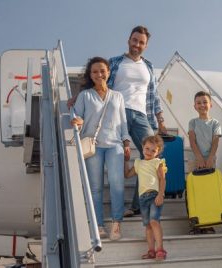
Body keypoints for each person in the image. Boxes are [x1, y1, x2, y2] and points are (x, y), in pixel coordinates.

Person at [108, 25, 167, 217]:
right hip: (118, 112)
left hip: (142, 115)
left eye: (141, 42)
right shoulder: (115, 62)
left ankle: (138, 205)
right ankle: (118, 207)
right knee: (117, 157)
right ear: (129, 41)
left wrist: (160, 120)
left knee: (151, 156)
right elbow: (101, 87)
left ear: (146, 46)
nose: (137, 44)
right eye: (135, 40)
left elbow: (154, 95)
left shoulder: (148, 66)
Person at [71, 57, 132, 241]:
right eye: (95, 71)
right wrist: (78, 121)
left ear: (108, 72)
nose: (99, 74)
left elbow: (122, 122)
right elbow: (78, 116)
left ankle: (116, 224)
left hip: (115, 146)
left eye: (102, 70)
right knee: (96, 188)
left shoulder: (118, 96)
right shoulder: (85, 96)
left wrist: (126, 142)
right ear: (90, 75)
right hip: (93, 146)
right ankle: (98, 225)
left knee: (117, 186)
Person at [124, 135, 168, 260]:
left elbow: (162, 179)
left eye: (153, 150)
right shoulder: (138, 163)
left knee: (154, 221)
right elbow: (127, 175)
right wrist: (125, 160)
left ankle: (160, 249)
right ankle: (151, 250)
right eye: (147, 148)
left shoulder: (158, 162)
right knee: (148, 225)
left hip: (155, 196)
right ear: (143, 147)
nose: (149, 152)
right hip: (142, 199)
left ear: (158, 152)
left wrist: (161, 194)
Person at [188, 91, 222, 171]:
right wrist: (199, 158)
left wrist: (211, 158)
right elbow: (192, 141)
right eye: (199, 103)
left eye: (205, 102)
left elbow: (215, 142)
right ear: (195, 106)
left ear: (210, 105)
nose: (202, 105)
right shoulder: (192, 122)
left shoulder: (215, 123)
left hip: (210, 159)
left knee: (209, 182)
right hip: (195, 159)